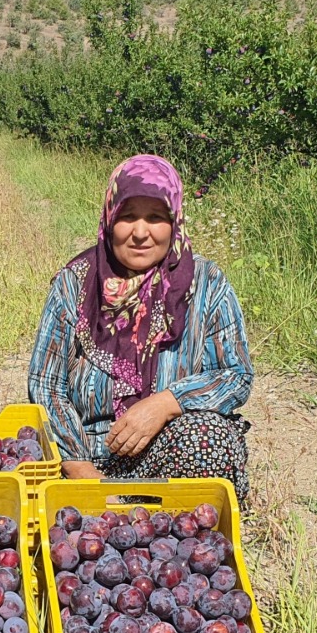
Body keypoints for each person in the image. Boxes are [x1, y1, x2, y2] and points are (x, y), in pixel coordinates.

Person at [27, 154, 254, 499]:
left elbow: (235, 375)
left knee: (207, 437)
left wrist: (166, 403)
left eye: (156, 218)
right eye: (128, 217)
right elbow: (46, 383)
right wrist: (78, 466)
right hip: (86, 461)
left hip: (168, 457)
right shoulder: (74, 284)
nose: (140, 233)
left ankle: (184, 532)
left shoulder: (206, 283)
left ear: (175, 222)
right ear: (109, 218)